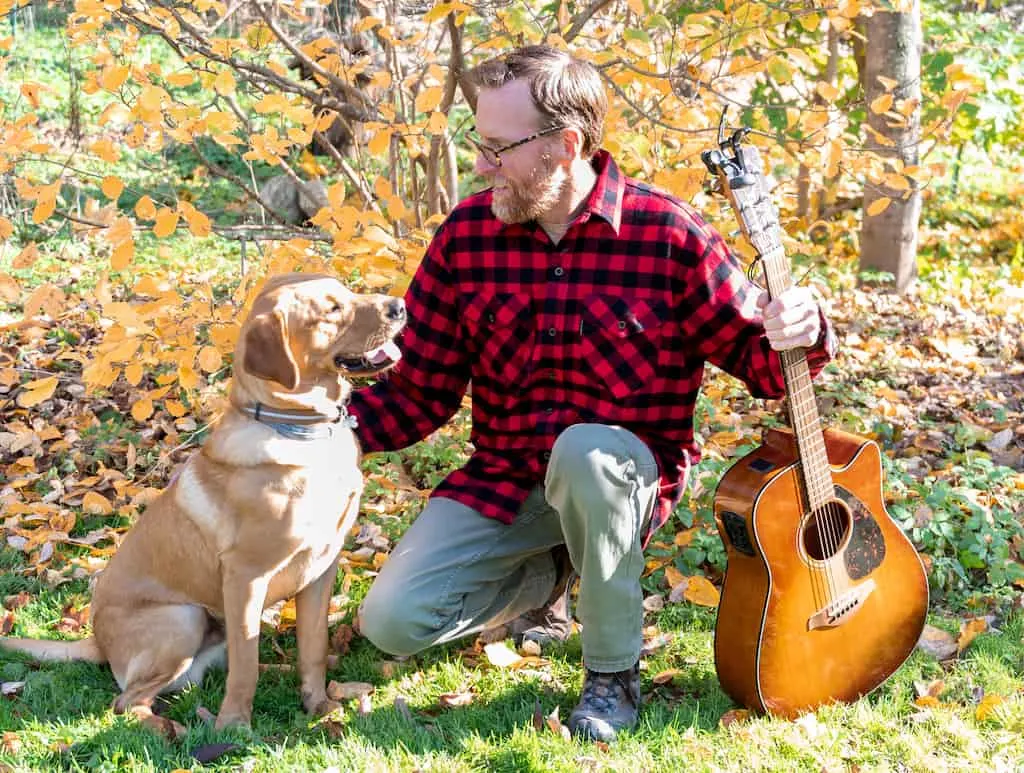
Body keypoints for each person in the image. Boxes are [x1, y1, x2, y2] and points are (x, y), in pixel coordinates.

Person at [349, 44, 836, 742]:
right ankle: (551, 572)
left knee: (584, 453)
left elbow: (764, 365)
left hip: (620, 476)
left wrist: (803, 327)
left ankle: (612, 674)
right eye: (478, 145)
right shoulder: (466, 238)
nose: (482, 165)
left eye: (497, 147)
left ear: (565, 143)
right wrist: (311, 430)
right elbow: (419, 392)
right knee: (392, 622)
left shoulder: (669, 234)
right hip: (509, 478)